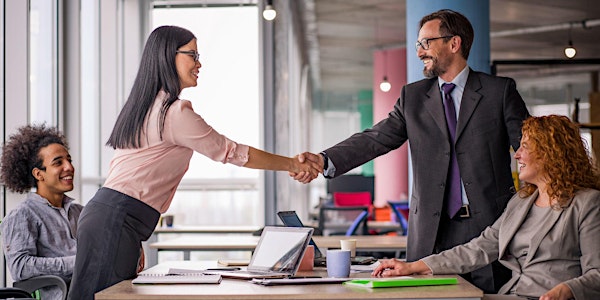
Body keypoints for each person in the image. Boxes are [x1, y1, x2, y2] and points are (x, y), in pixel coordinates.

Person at [67, 25, 320, 300]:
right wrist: (293, 165)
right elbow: (231, 152)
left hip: (111, 216)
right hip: (117, 220)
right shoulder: (173, 112)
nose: (199, 64)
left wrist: (131, 236)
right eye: (193, 55)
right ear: (167, 56)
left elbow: (125, 176)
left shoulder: (142, 107)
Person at [292, 9, 530, 292]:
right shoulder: (413, 97)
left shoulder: (499, 91)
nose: (419, 52)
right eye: (418, 44)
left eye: (426, 43)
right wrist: (323, 159)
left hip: (489, 228)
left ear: (454, 43)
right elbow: (376, 138)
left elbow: (531, 148)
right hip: (430, 230)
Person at [372, 115, 600, 300]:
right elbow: (479, 248)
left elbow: (597, 273)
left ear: (552, 154)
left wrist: (568, 290)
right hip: (511, 294)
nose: (517, 153)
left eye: (525, 147)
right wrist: (413, 267)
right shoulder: (521, 201)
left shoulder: (587, 203)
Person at [0, 124, 83, 300]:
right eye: (58, 162)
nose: (69, 167)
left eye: (69, 160)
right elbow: (21, 267)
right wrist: (78, 262)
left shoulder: (79, 212)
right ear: (39, 174)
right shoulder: (22, 215)